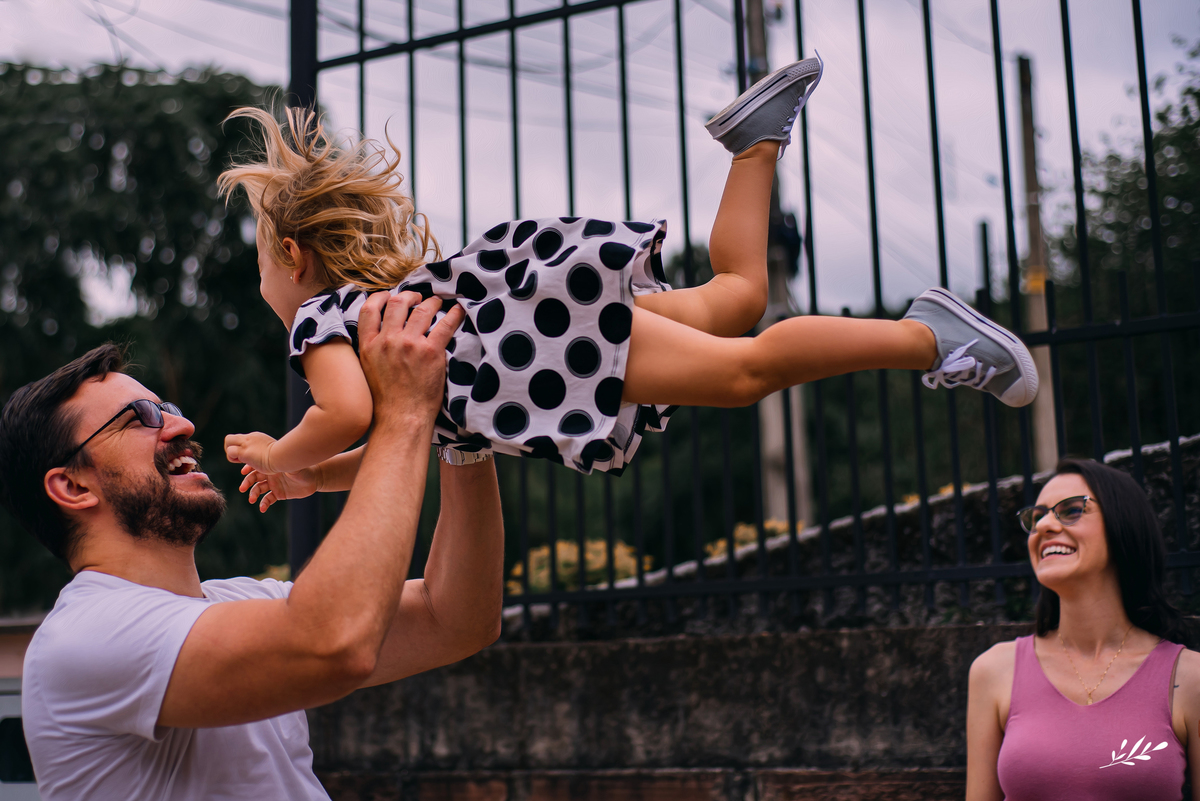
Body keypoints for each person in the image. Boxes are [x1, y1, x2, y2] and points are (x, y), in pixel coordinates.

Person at [219, 54, 1037, 496]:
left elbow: (346, 411)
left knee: (746, 372)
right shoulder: (377, 319)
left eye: (259, 262)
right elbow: (395, 442)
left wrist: (281, 452)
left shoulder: (320, 322)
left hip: (547, 349)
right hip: (543, 326)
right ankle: (756, 142)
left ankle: (928, 337)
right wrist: (313, 480)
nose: (262, 285)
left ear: (292, 256)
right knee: (737, 297)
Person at [0, 290, 502, 800]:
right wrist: (406, 412)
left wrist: (461, 441)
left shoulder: (243, 602)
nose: (182, 425)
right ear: (73, 486)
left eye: (167, 408)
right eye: (140, 417)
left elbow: (454, 618)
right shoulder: (86, 636)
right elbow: (333, 644)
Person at [966, 458, 1200, 801]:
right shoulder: (994, 671)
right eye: (1037, 516)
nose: (1044, 525)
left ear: (1123, 525)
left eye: (1072, 510)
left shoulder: (1191, 679)